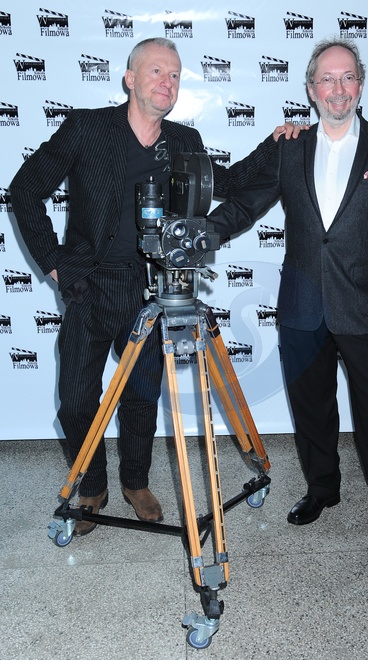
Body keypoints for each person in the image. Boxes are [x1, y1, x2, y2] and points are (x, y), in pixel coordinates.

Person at [10, 37, 299, 536]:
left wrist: (275, 144)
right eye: (157, 72)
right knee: (76, 401)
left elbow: (228, 184)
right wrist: (54, 264)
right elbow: (25, 189)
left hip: (152, 287)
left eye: (175, 75)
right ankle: (92, 484)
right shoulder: (86, 128)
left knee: (141, 397)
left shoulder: (184, 141)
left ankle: (135, 481)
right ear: (130, 79)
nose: (168, 82)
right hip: (90, 286)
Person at [207, 38, 368, 560]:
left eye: (347, 77)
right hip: (302, 304)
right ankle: (322, 489)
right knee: (311, 409)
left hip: (365, 308)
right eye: (327, 79)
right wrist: (201, 235)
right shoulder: (291, 146)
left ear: (360, 85)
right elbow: (245, 202)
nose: (337, 88)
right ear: (310, 89)